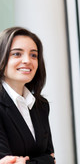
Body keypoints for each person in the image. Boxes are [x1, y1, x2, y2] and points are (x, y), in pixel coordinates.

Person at [0, 27, 55, 164]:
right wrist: (45, 160)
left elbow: (52, 157)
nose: (27, 61)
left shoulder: (41, 105)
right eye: (17, 54)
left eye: (33, 55)